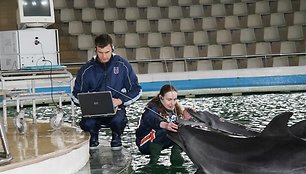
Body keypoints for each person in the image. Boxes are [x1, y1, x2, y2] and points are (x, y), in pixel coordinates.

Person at [72, 34, 142, 150]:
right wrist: (86, 103)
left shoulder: (123, 65)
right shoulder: (86, 70)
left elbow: (136, 90)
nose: (104, 56)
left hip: (116, 111)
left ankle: (116, 139)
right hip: (93, 113)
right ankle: (93, 140)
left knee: (118, 120)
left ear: (112, 48)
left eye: (107, 52)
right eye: (100, 52)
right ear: (96, 50)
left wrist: (120, 101)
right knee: (88, 124)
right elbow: (75, 95)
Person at [135, 84, 191, 165]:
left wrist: (186, 119)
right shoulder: (151, 108)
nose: (172, 103)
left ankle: (176, 153)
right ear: (161, 98)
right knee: (165, 129)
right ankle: (154, 161)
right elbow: (151, 118)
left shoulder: (175, 108)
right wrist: (165, 125)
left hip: (162, 141)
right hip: (145, 144)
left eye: (174, 99)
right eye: (169, 99)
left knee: (184, 129)